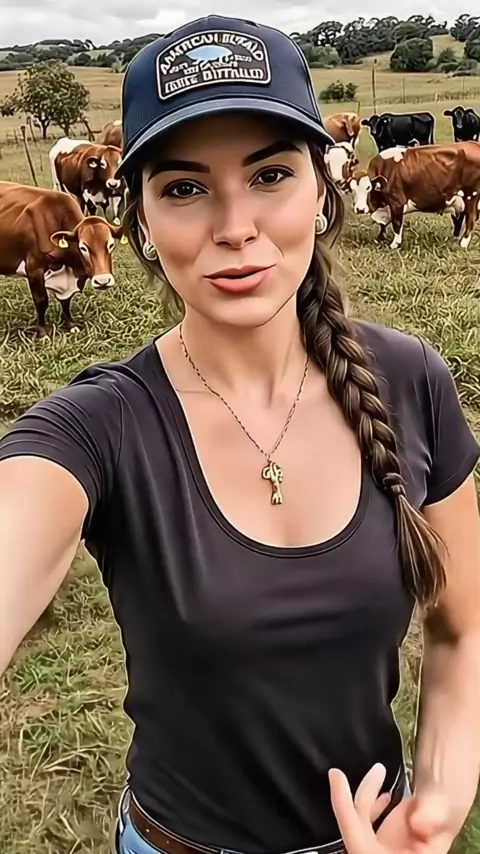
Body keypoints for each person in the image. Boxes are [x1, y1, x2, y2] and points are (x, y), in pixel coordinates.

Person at [1, 14, 480, 854]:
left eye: (270, 175)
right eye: (184, 188)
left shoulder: (411, 380)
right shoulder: (95, 426)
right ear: (141, 223)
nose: (234, 225)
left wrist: (437, 803)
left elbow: (462, 627)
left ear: (322, 190)